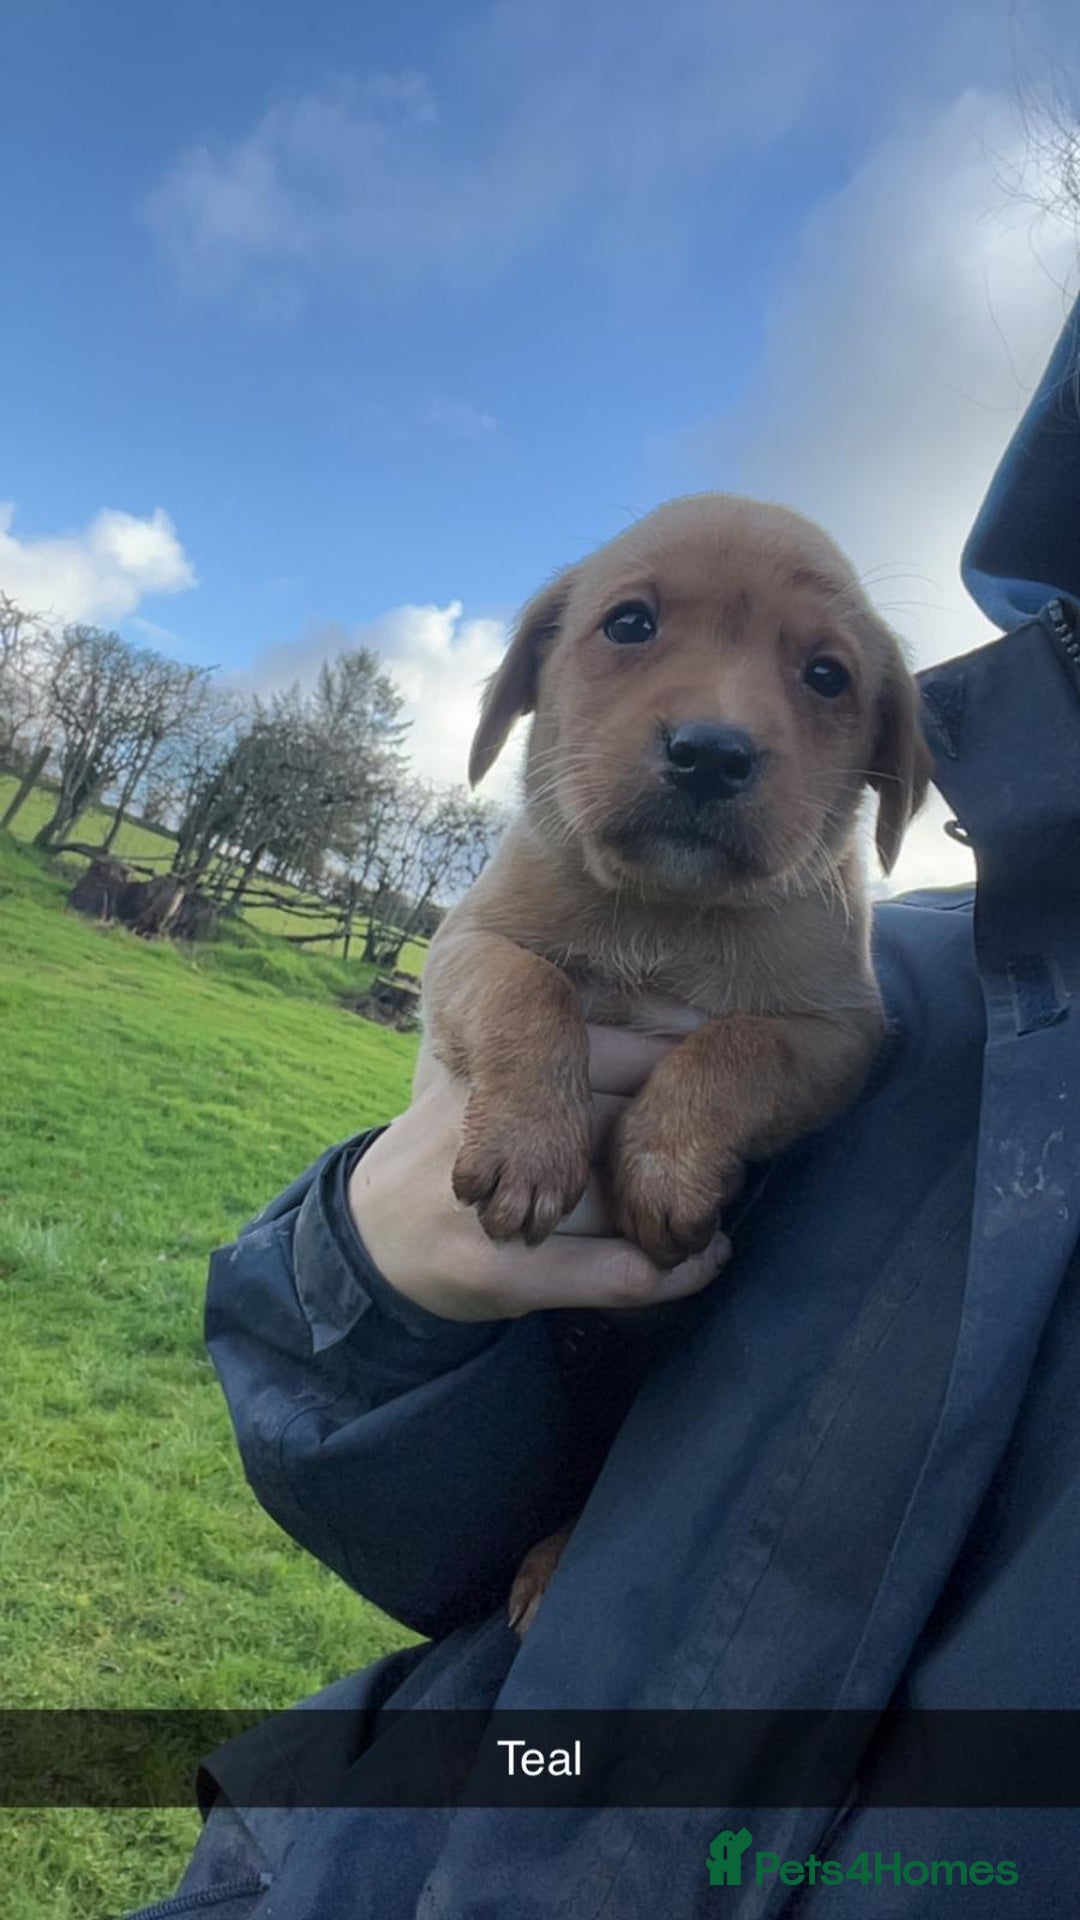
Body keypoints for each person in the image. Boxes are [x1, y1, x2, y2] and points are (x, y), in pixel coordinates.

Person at [130, 292, 1080, 1918]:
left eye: (824, 677)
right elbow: (485, 955)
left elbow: (816, 1034)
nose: (724, 725)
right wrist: (387, 1263)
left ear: (887, 776)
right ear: (525, 690)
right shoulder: (951, 988)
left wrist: (699, 1102)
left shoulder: (856, 966)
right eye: (634, 626)